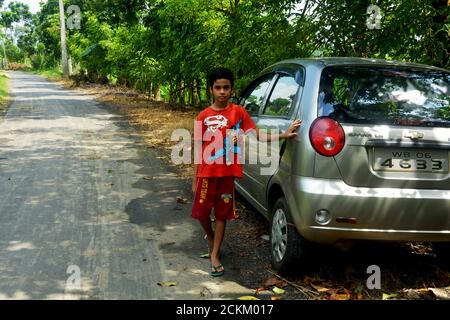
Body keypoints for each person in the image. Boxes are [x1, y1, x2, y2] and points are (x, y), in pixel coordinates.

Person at [192, 67, 301, 277]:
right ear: (211, 90)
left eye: (226, 87)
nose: (222, 91)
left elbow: (257, 135)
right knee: (202, 214)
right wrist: (195, 177)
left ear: (232, 89)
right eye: (218, 88)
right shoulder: (202, 116)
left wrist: (284, 134)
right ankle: (211, 237)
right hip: (206, 174)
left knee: (222, 215)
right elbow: (197, 148)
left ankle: (215, 254)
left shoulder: (239, 113)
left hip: (226, 175)